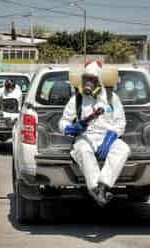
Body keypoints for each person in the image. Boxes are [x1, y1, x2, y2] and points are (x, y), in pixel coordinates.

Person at [59, 61, 131, 207]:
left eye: (92, 80)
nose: (88, 84)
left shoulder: (111, 98)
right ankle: (95, 189)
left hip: (107, 136)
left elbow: (120, 123)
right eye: (86, 79)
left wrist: (109, 140)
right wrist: (69, 129)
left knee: (123, 149)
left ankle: (104, 186)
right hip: (85, 136)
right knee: (83, 150)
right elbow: (64, 121)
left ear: (99, 81)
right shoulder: (77, 99)